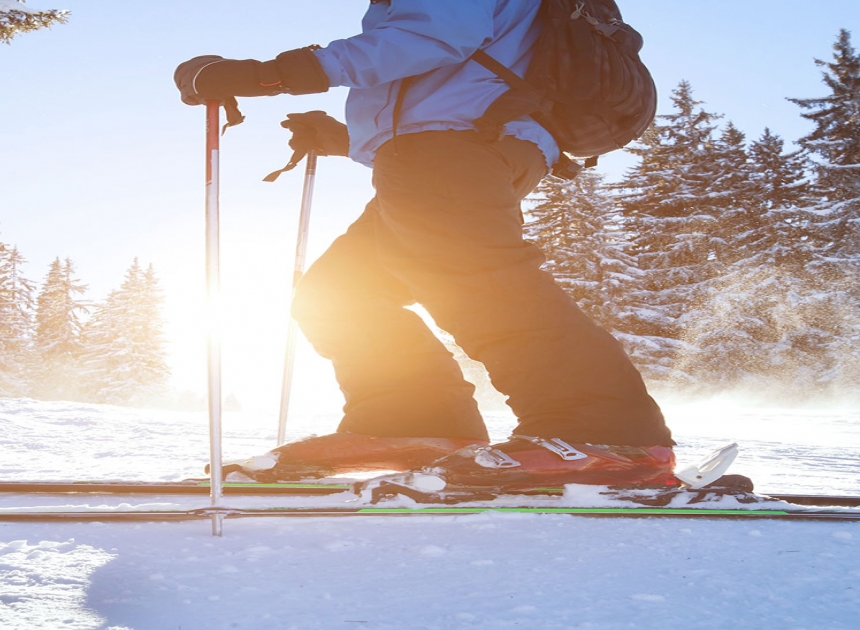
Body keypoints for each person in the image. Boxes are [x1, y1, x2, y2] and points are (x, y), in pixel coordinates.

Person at [174, 0, 676, 488]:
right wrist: (346, 137)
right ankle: (413, 421)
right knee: (340, 293)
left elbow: (430, 38)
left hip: (456, 146)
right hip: (453, 146)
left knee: (474, 281)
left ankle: (606, 433)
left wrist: (273, 74)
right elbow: (458, 73)